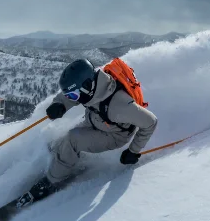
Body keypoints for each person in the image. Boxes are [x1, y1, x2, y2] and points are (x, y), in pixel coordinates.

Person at [27, 58, 158, 200]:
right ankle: (63, 161)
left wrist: (133, 151)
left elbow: (150, 122)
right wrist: (60, 104)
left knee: (72, 139)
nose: (72, 98)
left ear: (87, 87)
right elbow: (72, 92)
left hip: (115, 135)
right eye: (70, 95)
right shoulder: (92, 85)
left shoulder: (119, 106)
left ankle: (52, 181)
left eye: (73, 95)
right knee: (57, 144)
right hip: (97, 120)